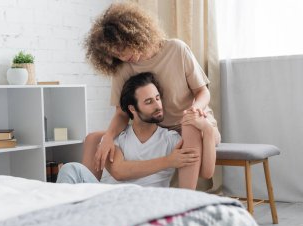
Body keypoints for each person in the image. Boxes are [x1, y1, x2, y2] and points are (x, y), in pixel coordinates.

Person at [82, 2, 220, 189]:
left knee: (190, 127)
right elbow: (122, 113)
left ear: (134, 35)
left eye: (123, 49)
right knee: (94, 139)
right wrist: (107, 136)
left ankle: (185, 200)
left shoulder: (176, 50)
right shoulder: (122, 68)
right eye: (116, 54)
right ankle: (87, 195)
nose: (123, 57)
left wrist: (196, 109)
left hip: (192, 122)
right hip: (154, 127)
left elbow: (202, 91)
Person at [57, 72, 215, 186]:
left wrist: (207, 130)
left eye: (157, 98)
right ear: (132, 109)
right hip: (105, 198)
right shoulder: (117, 138)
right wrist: (169, 161)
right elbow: (119, 171)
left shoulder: (171, 140)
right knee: (71, 169)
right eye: (148, 102)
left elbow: (206, 172)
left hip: (141, 203)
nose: (158, 106)